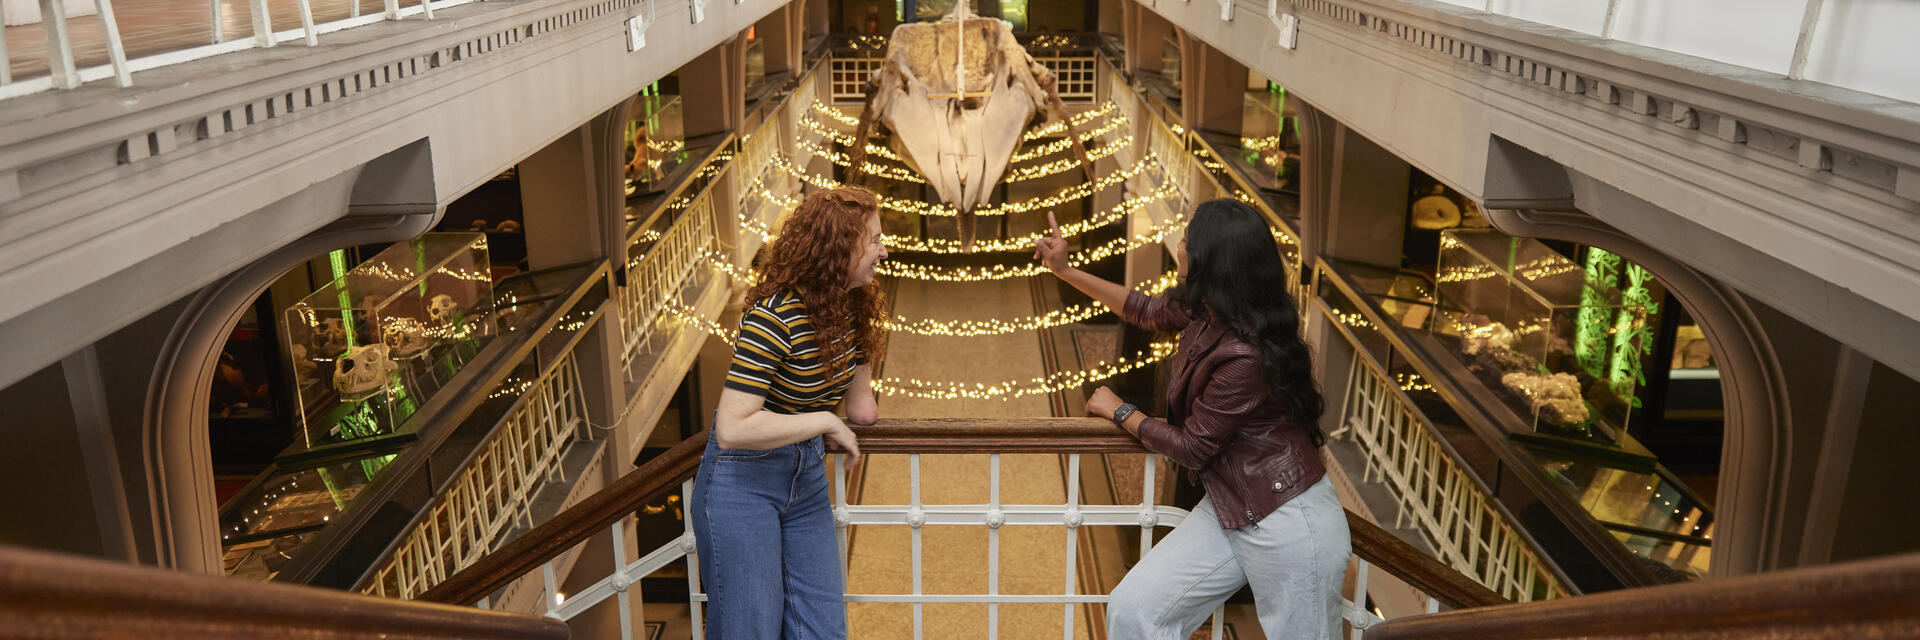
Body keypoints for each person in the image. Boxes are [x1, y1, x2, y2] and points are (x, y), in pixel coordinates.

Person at [1033, 199, 1349, 639]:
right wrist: (1065, 271)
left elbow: (1192, 446)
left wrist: (1121, 410)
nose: (1179, 245)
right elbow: (1144, 310)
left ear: (1209, 261)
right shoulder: (1210, 309)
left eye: (1186, 240)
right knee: (1134, 610)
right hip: (1230, 506)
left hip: (1289, 524)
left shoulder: (1245, 354)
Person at [692, 186, 890, 638]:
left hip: (804, 480)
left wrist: (865, 343)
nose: (884, 249)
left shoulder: (853, 307)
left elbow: (861, 410)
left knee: (822, 631)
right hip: (742, 485)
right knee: (751, 630)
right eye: (874, 240)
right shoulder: (774, 316)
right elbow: (732, 427)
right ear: (838, 251)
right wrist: (823, 419)